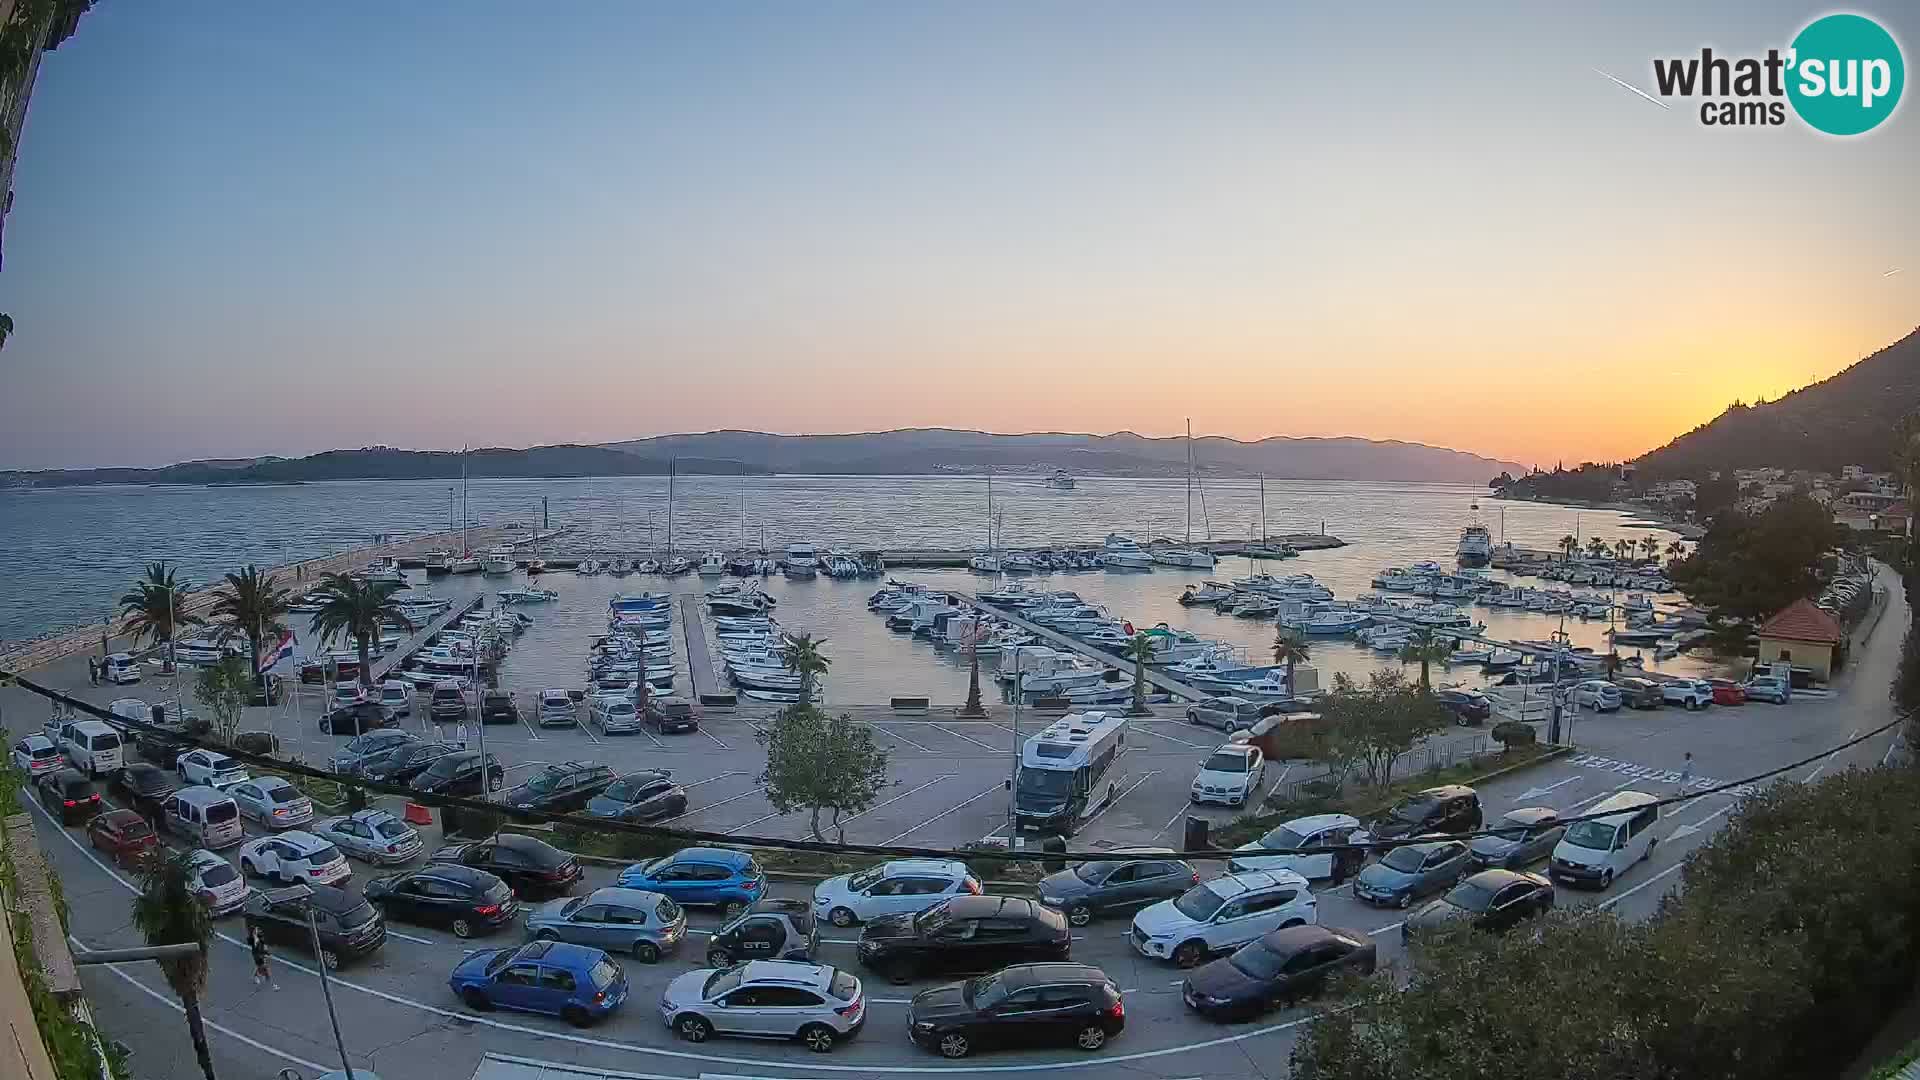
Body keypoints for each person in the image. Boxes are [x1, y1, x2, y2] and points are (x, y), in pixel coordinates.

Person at [250, 925, 279, 990]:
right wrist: (255, 930)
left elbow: (263, 949)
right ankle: (273, 985)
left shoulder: (261, 942)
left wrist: (267, 953)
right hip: (258, 957)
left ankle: (257, 977)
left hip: (260, 956)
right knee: (263, 968)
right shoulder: (256, 941)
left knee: (261, 968)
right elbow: (260, 948)